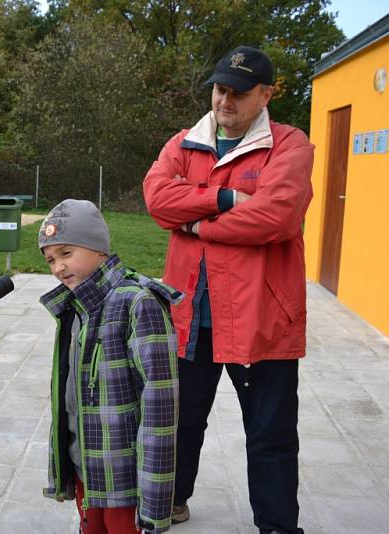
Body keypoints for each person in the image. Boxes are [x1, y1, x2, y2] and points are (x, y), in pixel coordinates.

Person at [142, 45, 314, 534]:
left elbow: (277, 217)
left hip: (262, 318)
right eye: (220, 90)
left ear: (267, 94)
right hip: (189, 316)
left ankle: (278, 526)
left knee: (271, 435)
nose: (225, 101)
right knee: (179, 422)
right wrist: (224, 198)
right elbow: (157, 199)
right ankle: (172, 500)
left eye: (239, 94)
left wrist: (197, 226)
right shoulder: (185, 142)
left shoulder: (291, 145)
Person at [38, 199, 182, 534]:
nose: (58, 267)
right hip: (85, 470)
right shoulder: (75, 308)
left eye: (66, 253)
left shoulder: (138, 304)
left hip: (124, 481)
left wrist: (155, 504)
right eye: (50, 260)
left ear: (98, 249)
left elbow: (160, 411)